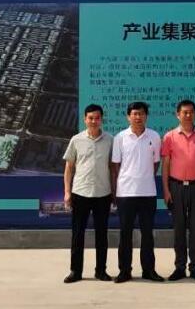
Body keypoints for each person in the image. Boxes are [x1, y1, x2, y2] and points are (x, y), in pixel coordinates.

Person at [111, 101, 164, 283]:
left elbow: (156, 163)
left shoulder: (154, 136)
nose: (138, 117)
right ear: (128, 116)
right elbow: (116, 165)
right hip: (125, 193)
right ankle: (124, 271)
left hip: (148, 192)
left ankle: (149, 270)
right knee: (125, 233)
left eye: (141, 113)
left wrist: (144, 177)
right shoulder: (120, 138)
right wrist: (124, 182)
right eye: (134, 114)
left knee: (147, 234)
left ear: (146, 116)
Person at [161, 99, 195, 282]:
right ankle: (180, 267)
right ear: (178, 115)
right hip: (176, 187)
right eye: (184, 112)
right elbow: (165, 165)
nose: (188, 115)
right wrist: (166, 190)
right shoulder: (169, 137)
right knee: (179, 229)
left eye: (191, 112)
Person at [62, 104, 114, 283]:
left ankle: (101, 271)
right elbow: (69, 168)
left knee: (102, 235)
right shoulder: (76, 140)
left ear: (101, 119)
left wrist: (114, 191)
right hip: (80, 192)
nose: (94, 121)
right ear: (85, 119)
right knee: (78, 234)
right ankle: (75, 272)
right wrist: (67, 192)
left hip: (103, 193)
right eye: (90, 118)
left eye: (97, 118)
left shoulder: (110, 140)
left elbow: (112, 168)